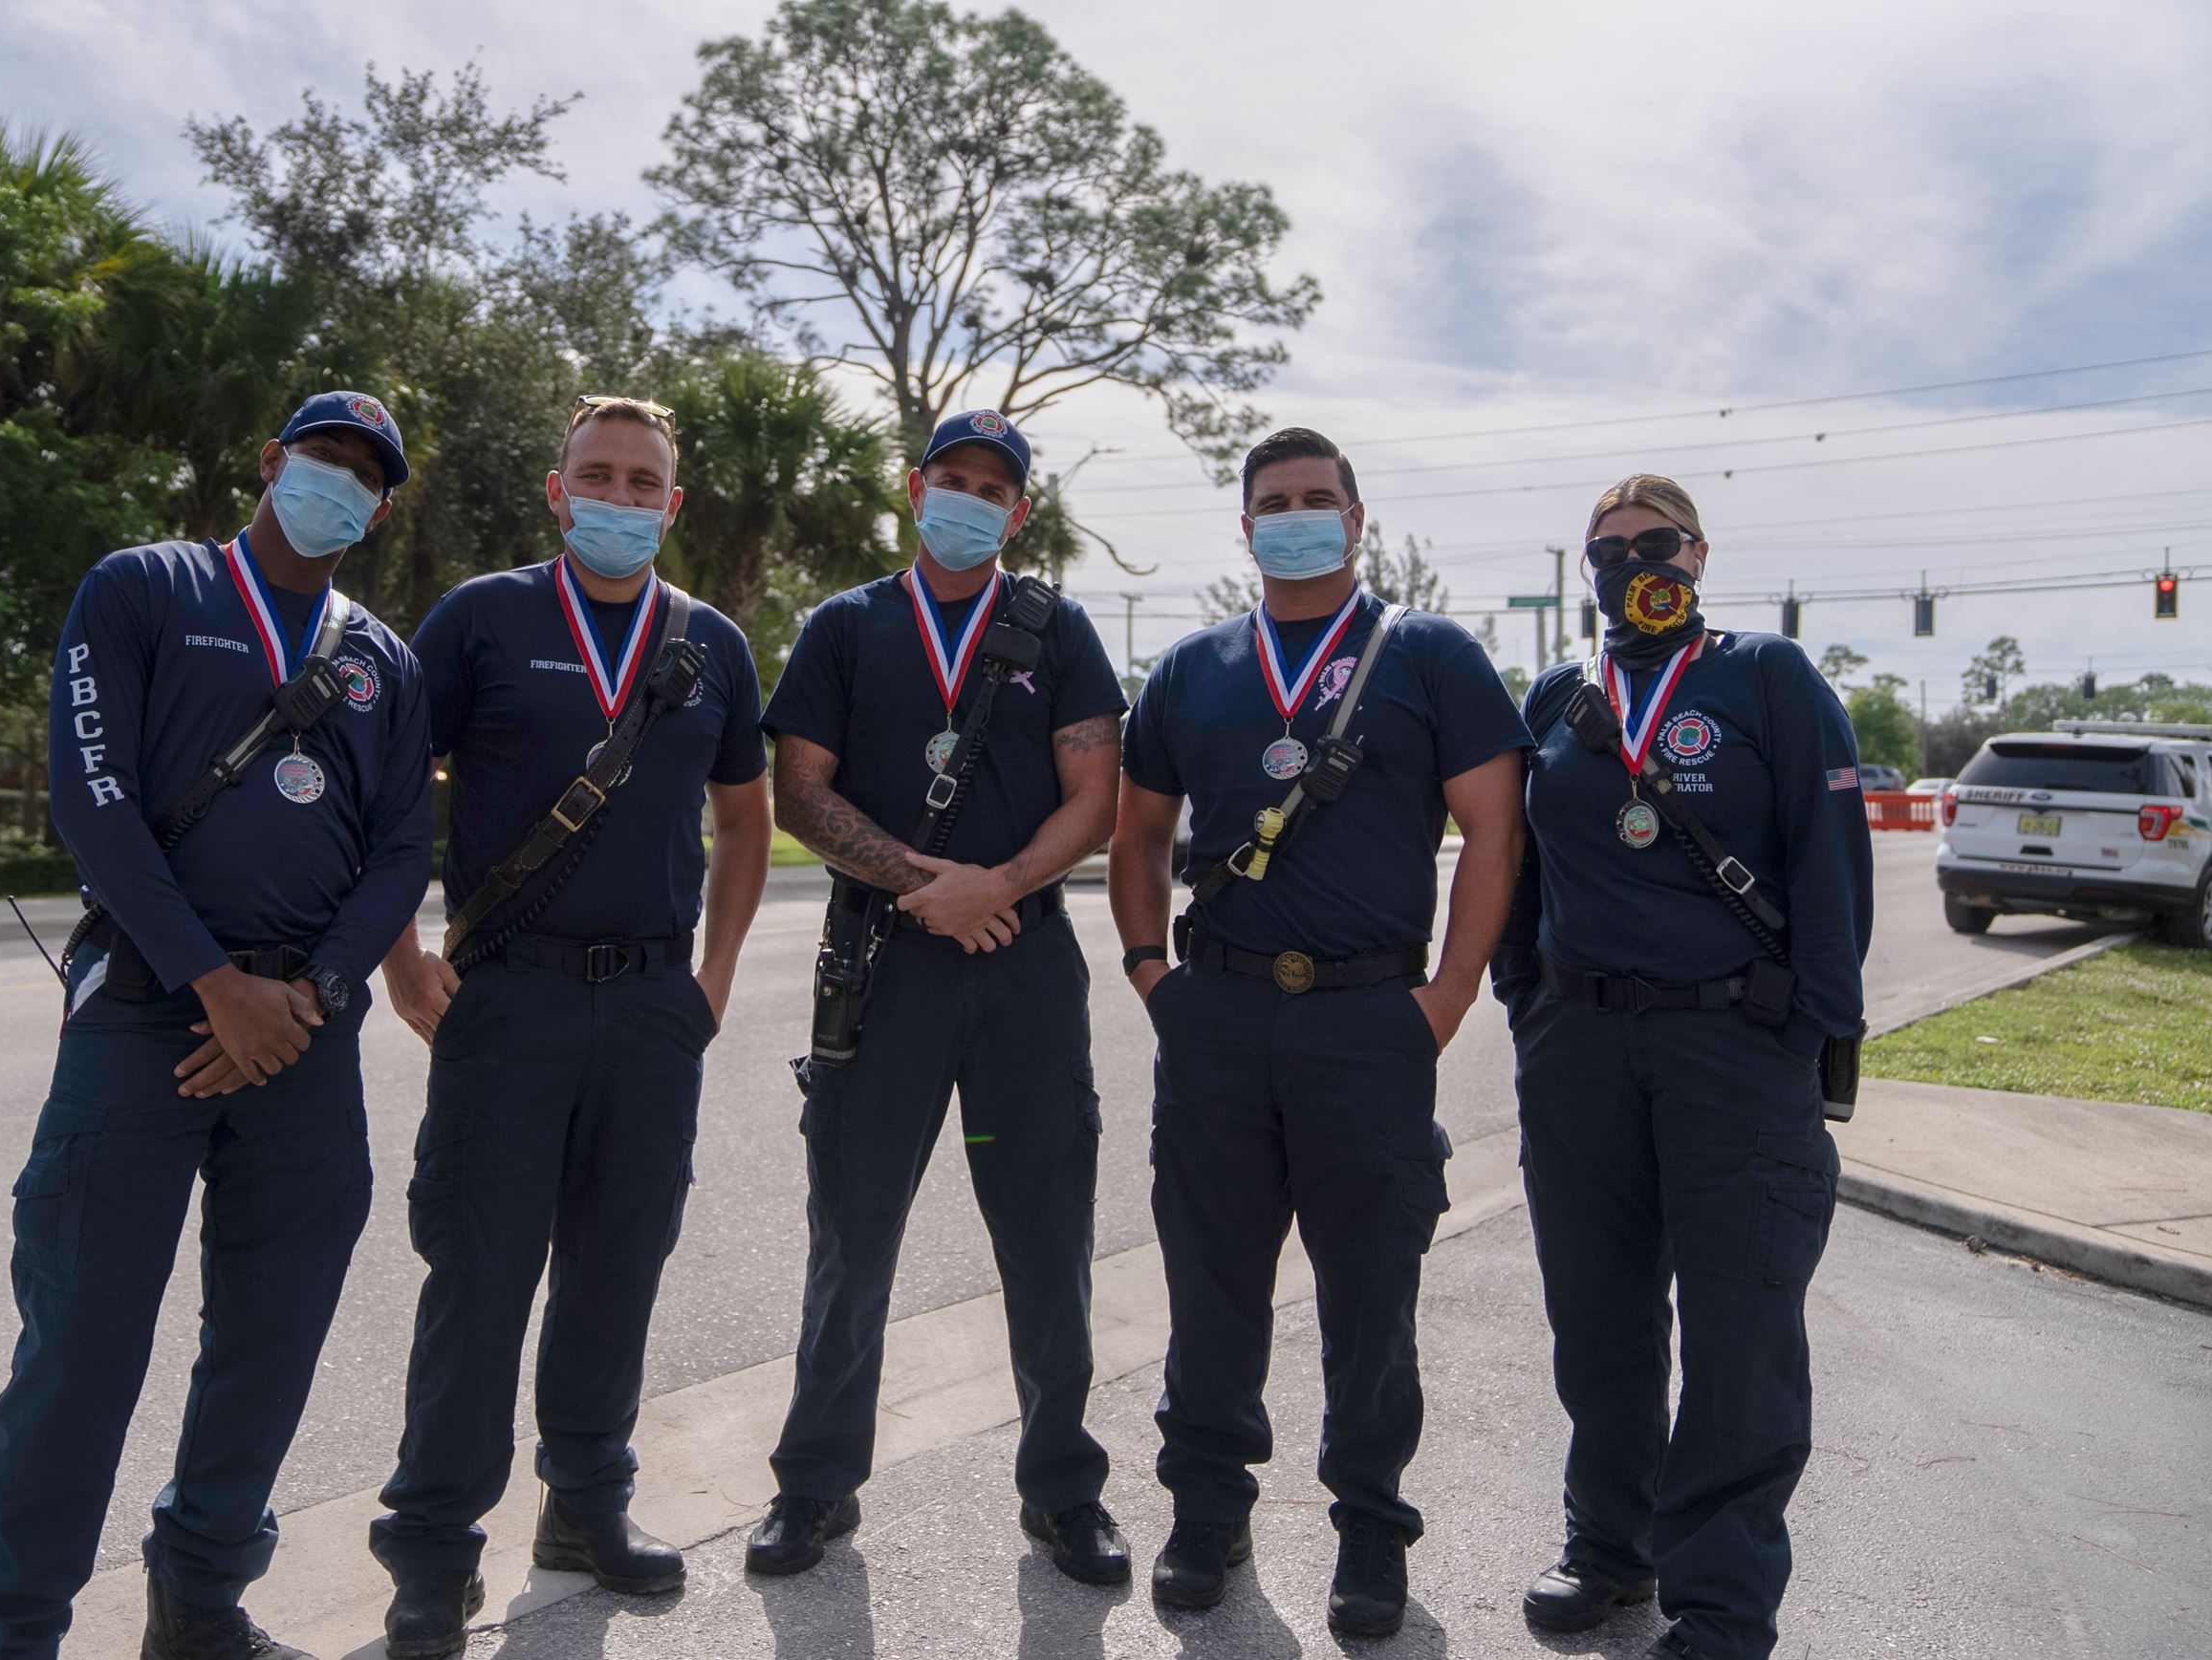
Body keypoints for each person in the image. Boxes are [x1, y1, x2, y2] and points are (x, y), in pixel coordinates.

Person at [0, 393, 432, 1660]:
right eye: (325, 457)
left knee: (270, 1340)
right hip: (147, 1013)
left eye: (366, 477)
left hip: (305, 1040)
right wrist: (214, 979)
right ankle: (7, 1633)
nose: (341, 484)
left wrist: (314, 995)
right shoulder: (142, 588)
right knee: (83, 1353)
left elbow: (400, 849)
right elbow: (91, 793)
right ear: (270, 458)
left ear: (379, 509)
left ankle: (202, 1603)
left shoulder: (383, 654)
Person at [365, 396, 772, 1655]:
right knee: (481, 1276)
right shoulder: (483, 617)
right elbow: (386, 793)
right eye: (595, 475)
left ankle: (586, 1506)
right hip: (511, 993)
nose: (618, 495)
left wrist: (710, 980)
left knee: (618, 1267)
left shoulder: (709, 643)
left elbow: (748, 821)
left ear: (672, 502)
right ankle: (434, 1548)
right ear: (555, 490)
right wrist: (400, 956)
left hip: (652, 1003)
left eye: (641, 480)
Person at [1109, 426, 1528, 1638]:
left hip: (1366, 1018)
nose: (1294, 515)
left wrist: (1443, 1001)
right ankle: (1204, 1509)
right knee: (1211, 1279)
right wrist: (1153, 976)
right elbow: (1136, 838)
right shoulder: (1193, 670)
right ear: (1244, 530)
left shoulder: (1431, 656)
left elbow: (1493, 838)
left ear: (1355, 518)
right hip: (1218, 1015)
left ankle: (1370, 1529)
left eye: (1316, 498)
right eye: (1272, 502)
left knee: (1370, 1289)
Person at [744, 409, 1131, 1586]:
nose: (968, 497)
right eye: (949, 478)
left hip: (1022, 960)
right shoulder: (846, 625)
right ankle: (813, 1489)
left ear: (1018, 511)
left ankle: (1063, 1493)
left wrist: (997, 884)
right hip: (882, 961)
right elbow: (797, 795)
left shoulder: (1054, 629)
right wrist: (926, 886)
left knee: (1045, 1234)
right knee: (850, 1240)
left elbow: (1094, 792)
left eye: (992, 487)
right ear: (915, 488)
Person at [1490, 474, 1870, 1660]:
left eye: (1651, 543)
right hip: (1581, 1047)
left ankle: (1718, 1606)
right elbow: (1519, 861)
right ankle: (1609, 1549)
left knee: (1737, 1330)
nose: (1626, 562)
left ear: (1697, 554)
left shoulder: (1766, 678)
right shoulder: (1557, 696)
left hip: (1733, 1044)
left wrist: (1808, 1033)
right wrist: (1526, 998)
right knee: (1595, 1318)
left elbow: (1831, 869)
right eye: (1603, 548)